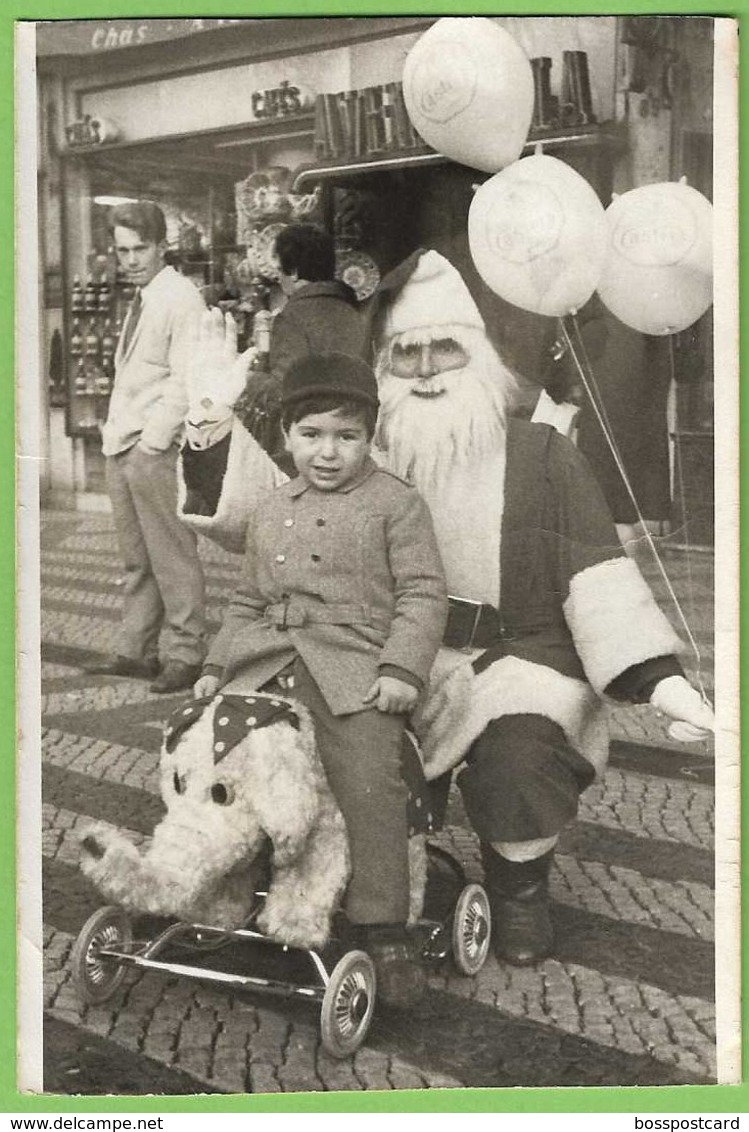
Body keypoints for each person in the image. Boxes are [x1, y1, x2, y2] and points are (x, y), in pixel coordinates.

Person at [177, 250, 714, 969]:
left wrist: (660, 681)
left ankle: (519, 890)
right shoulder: (363, 449)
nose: (426, 369)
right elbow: (271, 517)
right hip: (388, 655)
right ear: (384, 369)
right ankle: (358, 887)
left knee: (520, 757)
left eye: (444, 349)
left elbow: (596, 573)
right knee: (329, 756)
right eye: (407, 354)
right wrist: (210, 417)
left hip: (512, 660)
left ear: (478, 356)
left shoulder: (541, 454)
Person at [193, 352, 448, 1007]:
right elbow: (248, 597)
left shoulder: (396, 503)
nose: (327, 453)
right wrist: (219, 666)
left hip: (353, 671)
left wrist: (399, 670)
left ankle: (385, 928)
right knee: (210, 760)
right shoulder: (273, 506)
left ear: (371, 436)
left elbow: (422, 593)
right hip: (265, 663)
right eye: (311, 436)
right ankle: (207, 885)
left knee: (367, 779)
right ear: (285, 436)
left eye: (346, 436)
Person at [84, 201, 208, 694]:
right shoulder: (143, 297)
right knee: (136, 558)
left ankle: (186, 653)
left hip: (152, 447)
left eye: (140, 249)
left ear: (161, 247)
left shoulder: (181, 298)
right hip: (124, 443)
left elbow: (185, 379)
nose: (131, 259)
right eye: (122, 251)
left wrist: (154, 442)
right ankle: (137, 650)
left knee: (172, 554)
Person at [235, 223, 367, 464]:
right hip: (352, 437)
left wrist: (251, 377)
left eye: (279, 269)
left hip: (309, 445)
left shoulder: (293, 316)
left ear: (294, 271)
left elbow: (283, 390)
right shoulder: (352, 310)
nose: (279, 277)